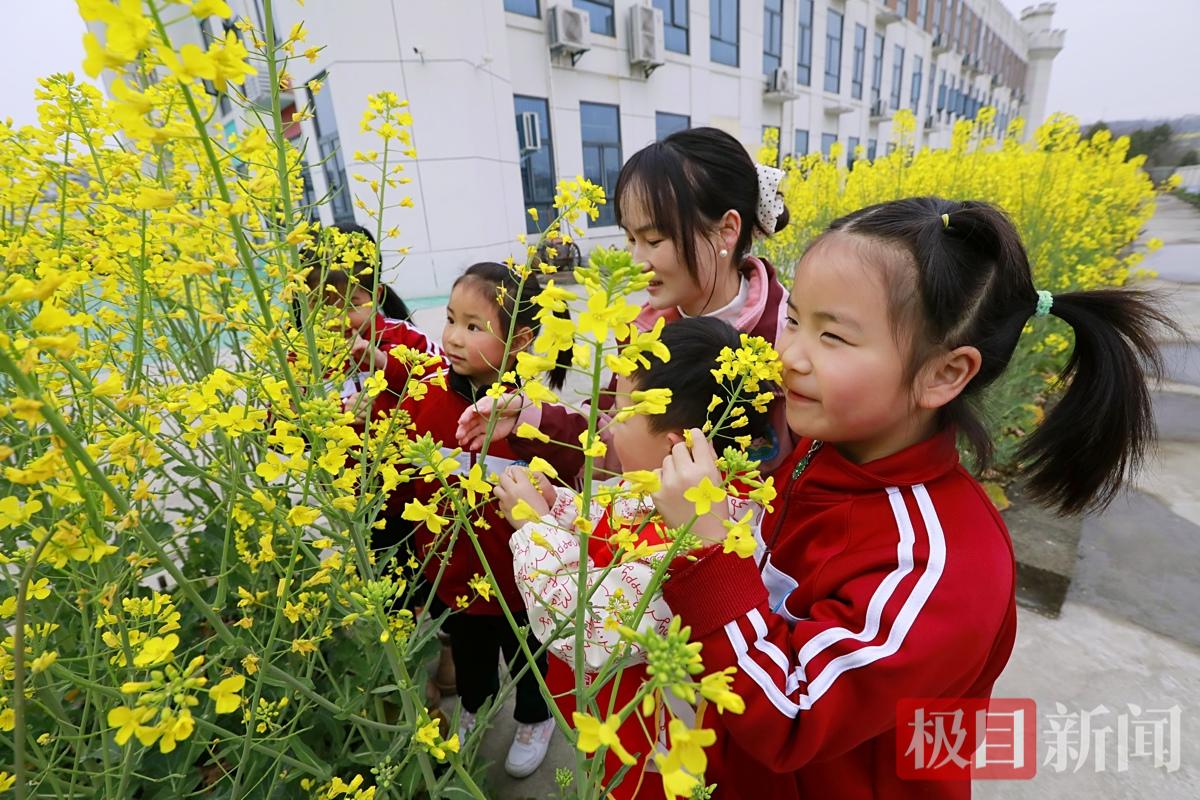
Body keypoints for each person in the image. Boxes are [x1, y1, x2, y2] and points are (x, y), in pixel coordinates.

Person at [652, 198, 1170, 799]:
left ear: (944, 374)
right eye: (793, 320)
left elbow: (793, 716)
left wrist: (711, 552)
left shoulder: (939, 564)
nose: (787, 356)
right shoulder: (827, 449)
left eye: (833, 336)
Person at [495, 317, 775, 799]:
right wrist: (557, 507)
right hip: (613, 720)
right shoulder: (667, 488)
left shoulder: (698, 542)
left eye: (622, 413)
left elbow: (582, 626)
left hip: (648, 758)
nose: (606, 425)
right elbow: (609, 532)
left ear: (677, 444)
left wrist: (533, 528)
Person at [325, 260, 571, 778]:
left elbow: (570, 480)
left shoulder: (530, 415)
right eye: (452, 320)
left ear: (519, 341)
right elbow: (398, 438)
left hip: (520, 578)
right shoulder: (430, 391)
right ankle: (476, 709)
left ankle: (535, 717)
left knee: (529, 657)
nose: (454, 337)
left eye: (474, 326)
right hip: (453, 574)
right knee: (471, 657)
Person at [457, 127, 793, 477]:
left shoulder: (786, 341)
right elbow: (610, 435)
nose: (636, 261)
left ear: (726, 230)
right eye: (631, 239)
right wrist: (527, 416)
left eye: (654, 240)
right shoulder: (643, 333)